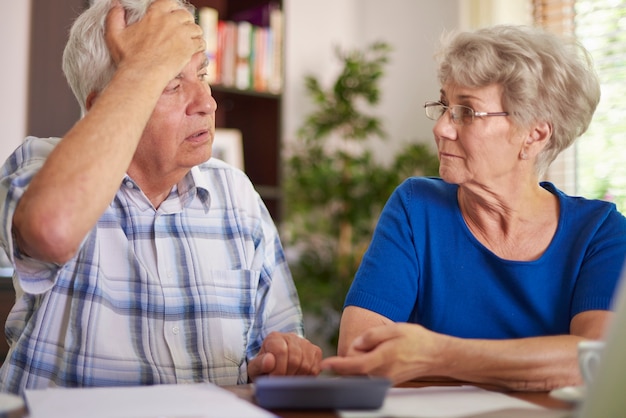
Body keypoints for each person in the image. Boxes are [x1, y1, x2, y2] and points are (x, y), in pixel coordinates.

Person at [0, 0, 321, 395]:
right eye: (170, 84)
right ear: (104, 104)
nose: (207, 103)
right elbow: (51, 229)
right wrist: (142, 65)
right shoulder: (41, 163)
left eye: (202, 74)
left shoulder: (237, 196)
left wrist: (279, 363)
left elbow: (280, 346)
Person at [320, 25, 626, 391]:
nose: (442, 129)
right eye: (445, 106)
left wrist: (438, 355)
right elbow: (360, 355)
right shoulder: (416, 208)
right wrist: (533, 365)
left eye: (466, 111)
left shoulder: (599, 232)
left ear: (535, 133)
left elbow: (594, 363)